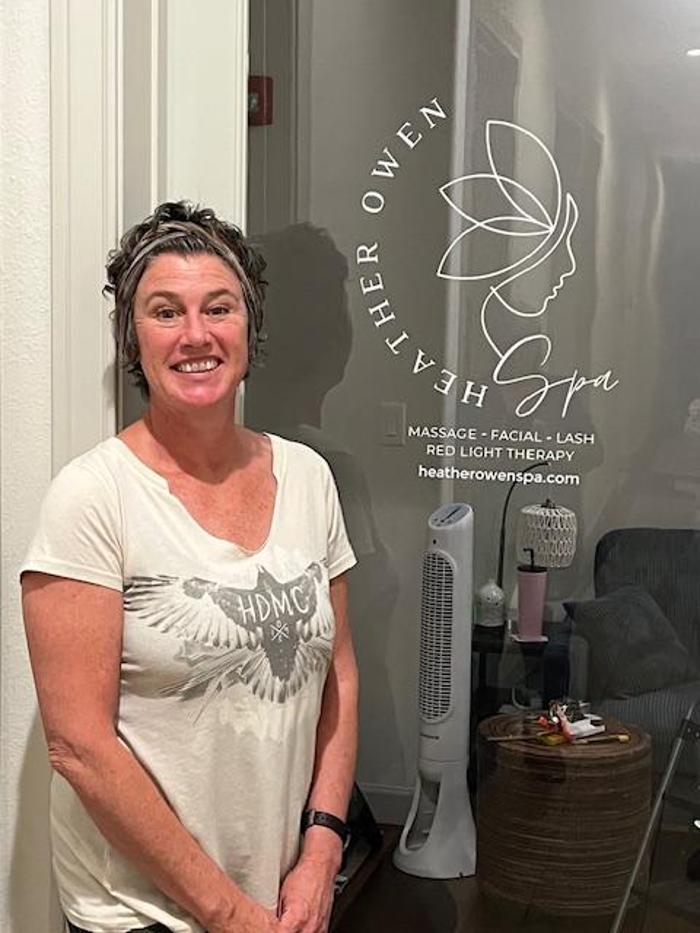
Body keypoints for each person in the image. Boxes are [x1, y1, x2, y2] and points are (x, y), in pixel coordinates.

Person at [20, 201, 359, 933]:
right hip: (139, 913)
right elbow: (78, 747)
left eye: (219, 307)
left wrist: (323, 847)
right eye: (166, 311)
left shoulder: (309, 479)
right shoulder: (93, 497)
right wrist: (228, 913)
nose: (196, 335)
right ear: (132, 338)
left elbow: (341, 676)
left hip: (279, 897)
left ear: (249, 328)